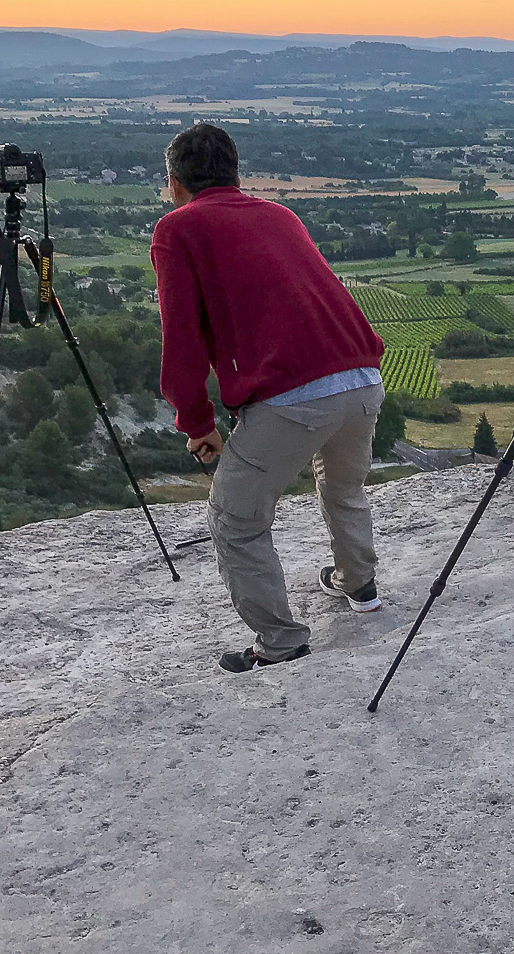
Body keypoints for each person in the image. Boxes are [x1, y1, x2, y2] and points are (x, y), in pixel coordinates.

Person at [151, 123, 389, 674]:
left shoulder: (177, 229)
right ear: (236, 173)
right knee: (344, 486)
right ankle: (360, 587)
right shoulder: (279, 214)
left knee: (236, 519)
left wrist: (197, 421)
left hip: (294, 397)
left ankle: (280, 643)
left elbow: (181, 340)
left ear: (174, 183)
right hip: (361, 377)